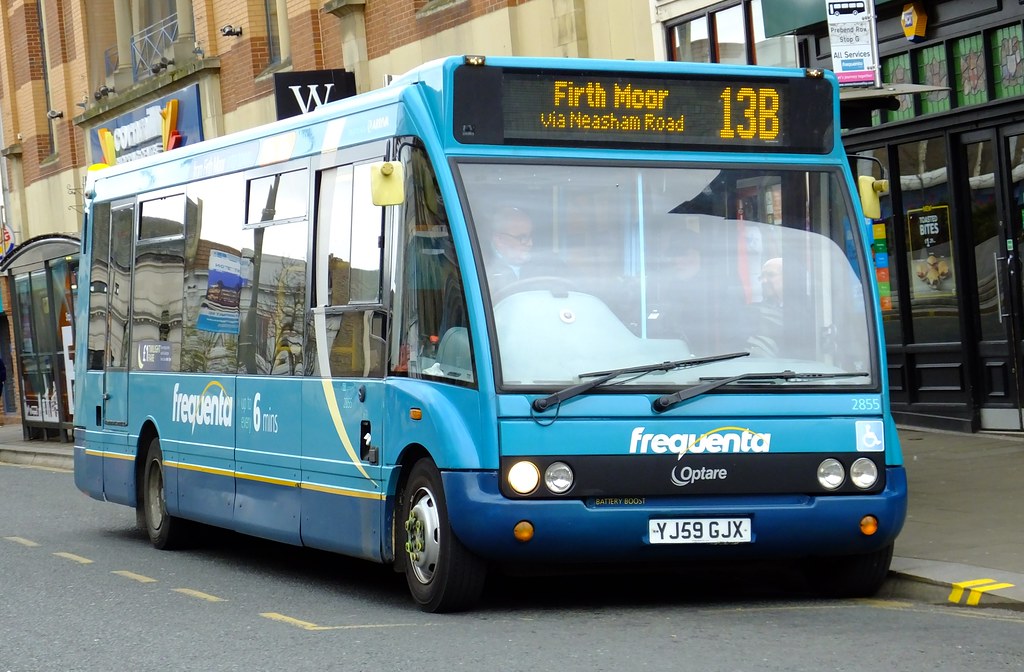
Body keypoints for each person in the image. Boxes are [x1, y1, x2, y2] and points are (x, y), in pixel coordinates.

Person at [485, 206, 535, 296]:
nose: (530, 243)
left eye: (530, 236)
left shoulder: (547, 266)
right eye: (522, 237)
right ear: (499, 240)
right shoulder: (481, 270)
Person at [747, 257, 784, 357]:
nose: (764, 281)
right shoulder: (751, 312)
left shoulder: (806, 312)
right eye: (762, 277)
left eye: (771, 275)